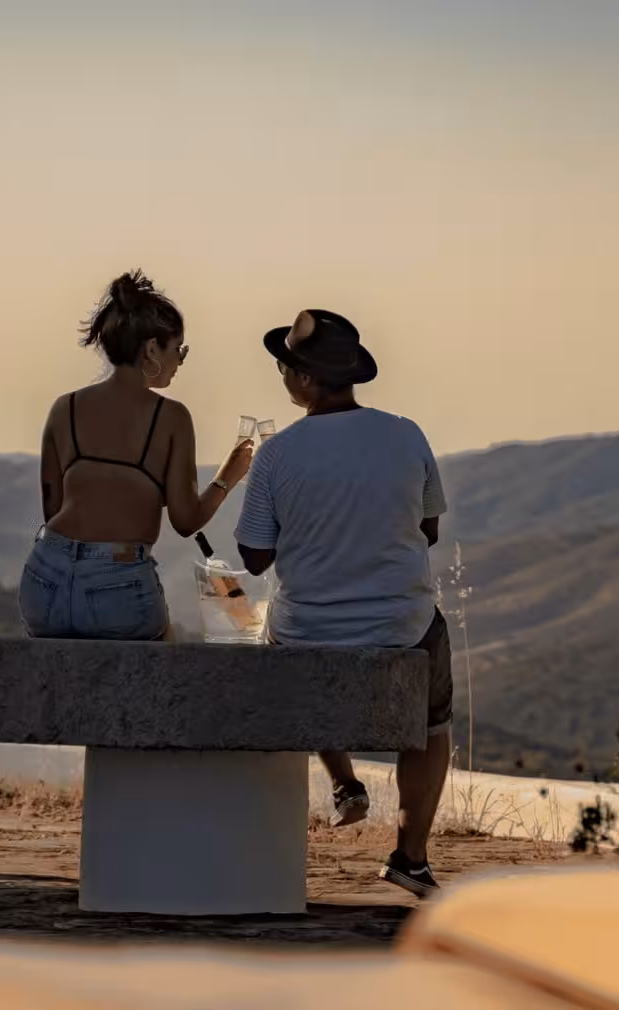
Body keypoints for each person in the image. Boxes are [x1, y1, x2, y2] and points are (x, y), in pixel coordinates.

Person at [233, 308, 452, 898]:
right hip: (402, 629)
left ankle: (345, 782)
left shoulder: (278, 455)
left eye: (284, 366)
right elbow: (429, 528)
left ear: (303, 380)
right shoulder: (406, 434)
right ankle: (410, 856)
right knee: (434, 726)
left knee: (287, 638)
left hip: (309, 632)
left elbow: (254, 557)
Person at [20, 270, 256, 640]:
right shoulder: (170, 417)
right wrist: (229, 475)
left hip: (44, 575)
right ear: (150, 350)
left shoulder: (63, 408)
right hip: (117, 580)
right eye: (178, 349)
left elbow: (54, 507)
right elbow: (185, 520)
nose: (179, 361)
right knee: (161, 676)